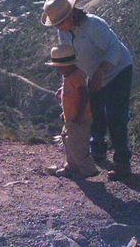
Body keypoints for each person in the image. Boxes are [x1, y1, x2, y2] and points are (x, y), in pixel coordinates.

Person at [41, 0, 134, 181]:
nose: (58, 27)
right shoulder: (64, 33)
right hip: (93, 75)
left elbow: (114, 49)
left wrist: (100, 72)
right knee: (94, 114)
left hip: (118, 71)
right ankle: (97, 153)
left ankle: (122, 164)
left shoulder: (93, 25)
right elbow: (70, 60)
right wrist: (68, 85)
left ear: (70, 15)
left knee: (115, 116)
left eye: (59, 23)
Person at [44, 44, 99, 179]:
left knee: (78, 145)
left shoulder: (77, 76)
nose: (56, 69)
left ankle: (88, 170)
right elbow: (70, 95)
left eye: (57, 66)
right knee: (68, 141)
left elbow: (84, 95)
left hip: (80, 119)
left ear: (66, 65)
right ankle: (71, 166)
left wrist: (80, 115)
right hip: (71, 118)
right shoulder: (68, 76)